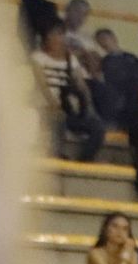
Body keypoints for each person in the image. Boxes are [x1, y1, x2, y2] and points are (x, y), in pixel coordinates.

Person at [30, 25, 105, 163]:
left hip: (69, 106)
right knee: (58, 118)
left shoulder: (71, 59)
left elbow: (81, 85)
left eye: (60, 35)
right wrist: (54, 103)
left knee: (97, 126)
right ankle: (55, 154)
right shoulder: (38, 57)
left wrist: (86, 106)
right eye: (54, 35)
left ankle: (84, 160)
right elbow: (42, 84)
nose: (58, 40)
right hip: (47, 106)